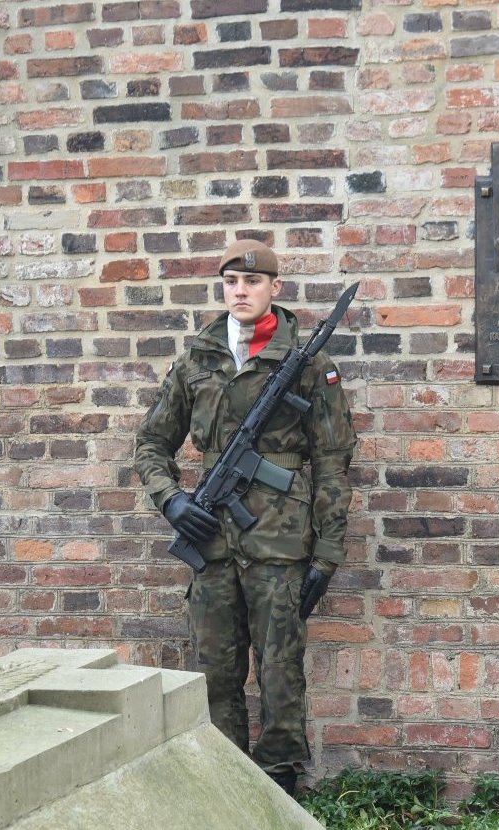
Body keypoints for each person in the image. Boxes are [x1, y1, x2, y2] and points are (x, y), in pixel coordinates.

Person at [133, 239, 356, 795]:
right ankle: (223, 781)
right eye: (232, 280)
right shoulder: (196, 362)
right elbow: (151, 446)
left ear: (274, 289)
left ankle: (279, 784)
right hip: (209, 543)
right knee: (214, 671)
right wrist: (173, 502)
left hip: (280, 544)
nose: (241, 290)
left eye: (253, 282)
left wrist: (327, 555)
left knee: (281, 672)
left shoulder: (308, 365)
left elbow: (332, 464)